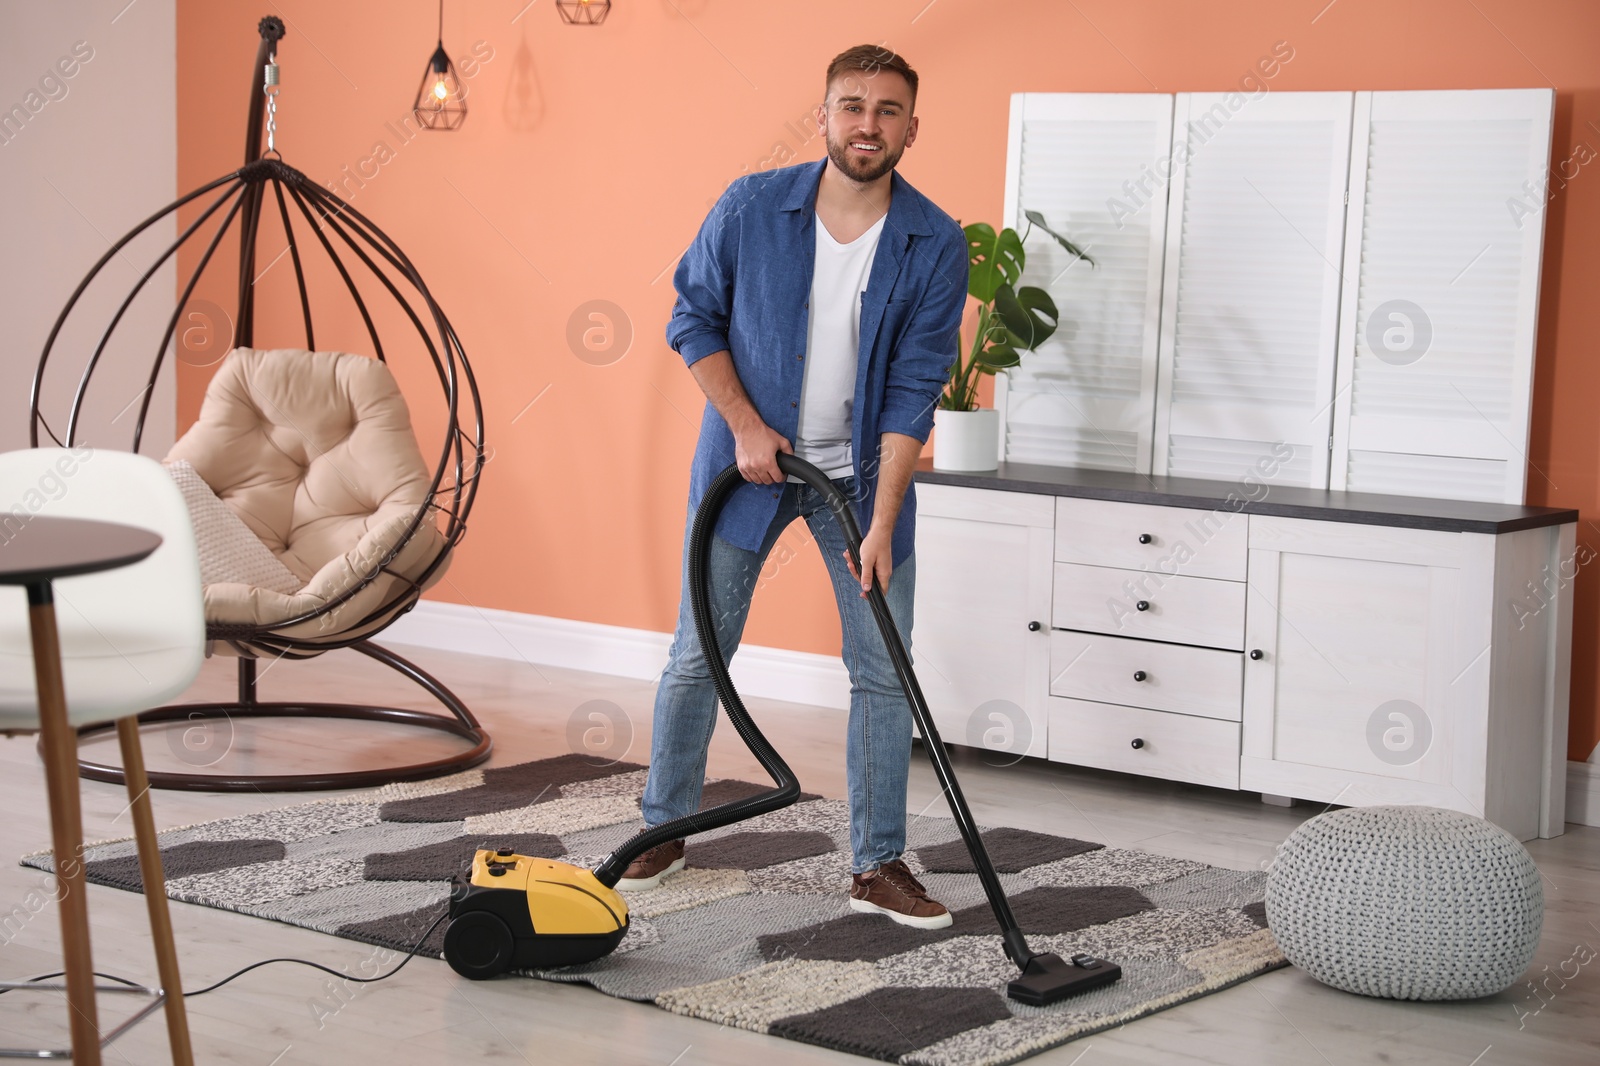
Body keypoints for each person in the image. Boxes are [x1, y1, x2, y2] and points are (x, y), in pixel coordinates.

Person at [625, 44, 968, 930]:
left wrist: (884, 519)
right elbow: (691, 317)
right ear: (822, 117)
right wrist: (744, 425)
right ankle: (662, 829)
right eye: (851, 106)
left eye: (887, 110)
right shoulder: (750, 207)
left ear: (911, 128)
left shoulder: (933, 242)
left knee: (882, 669)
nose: (868, 124)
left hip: (859, 480)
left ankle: (878, 864)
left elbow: (913, 389)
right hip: (747, 469)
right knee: (700, 652)